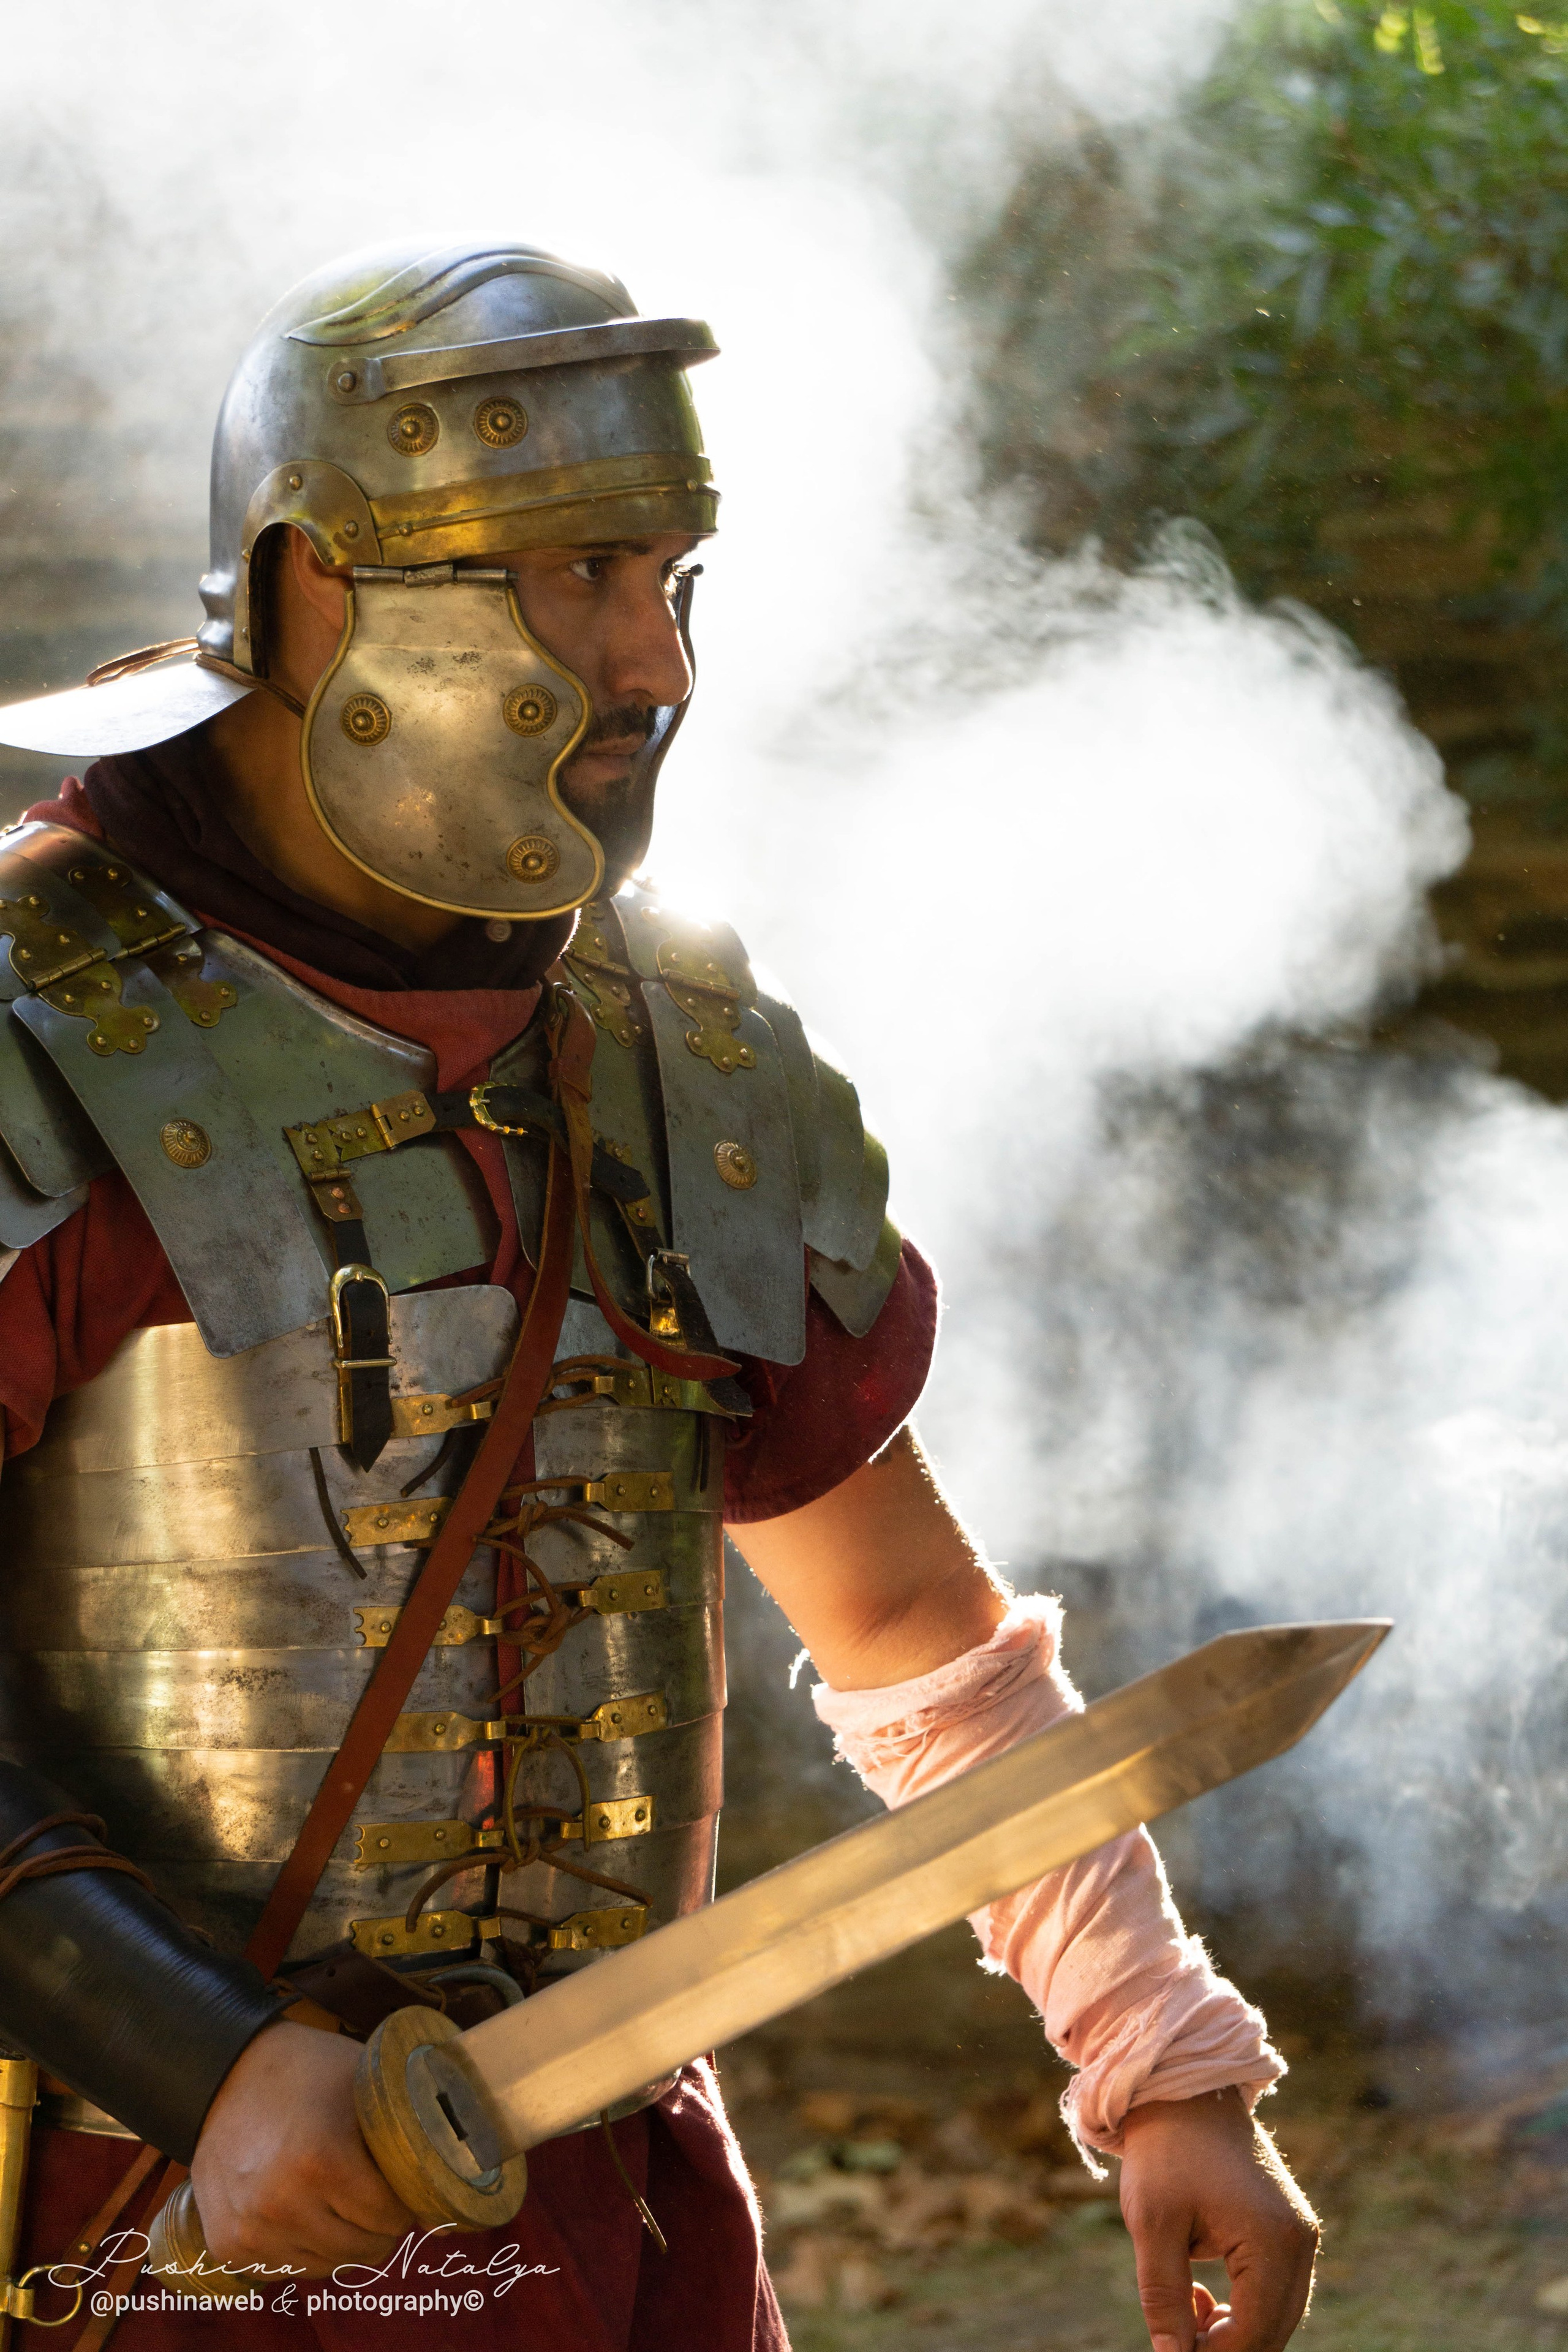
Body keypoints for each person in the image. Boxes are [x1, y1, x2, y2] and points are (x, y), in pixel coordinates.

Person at [0, 239, 1316, 2352]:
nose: (657, 660)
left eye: (675, 577)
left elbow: (911, 1631)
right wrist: (202, 2058)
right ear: (321, 581)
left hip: (601, 2225)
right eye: (577, 576)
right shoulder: (43, 1035)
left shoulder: (675, 1051)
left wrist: (1160, 2059)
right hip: (136, 2221)